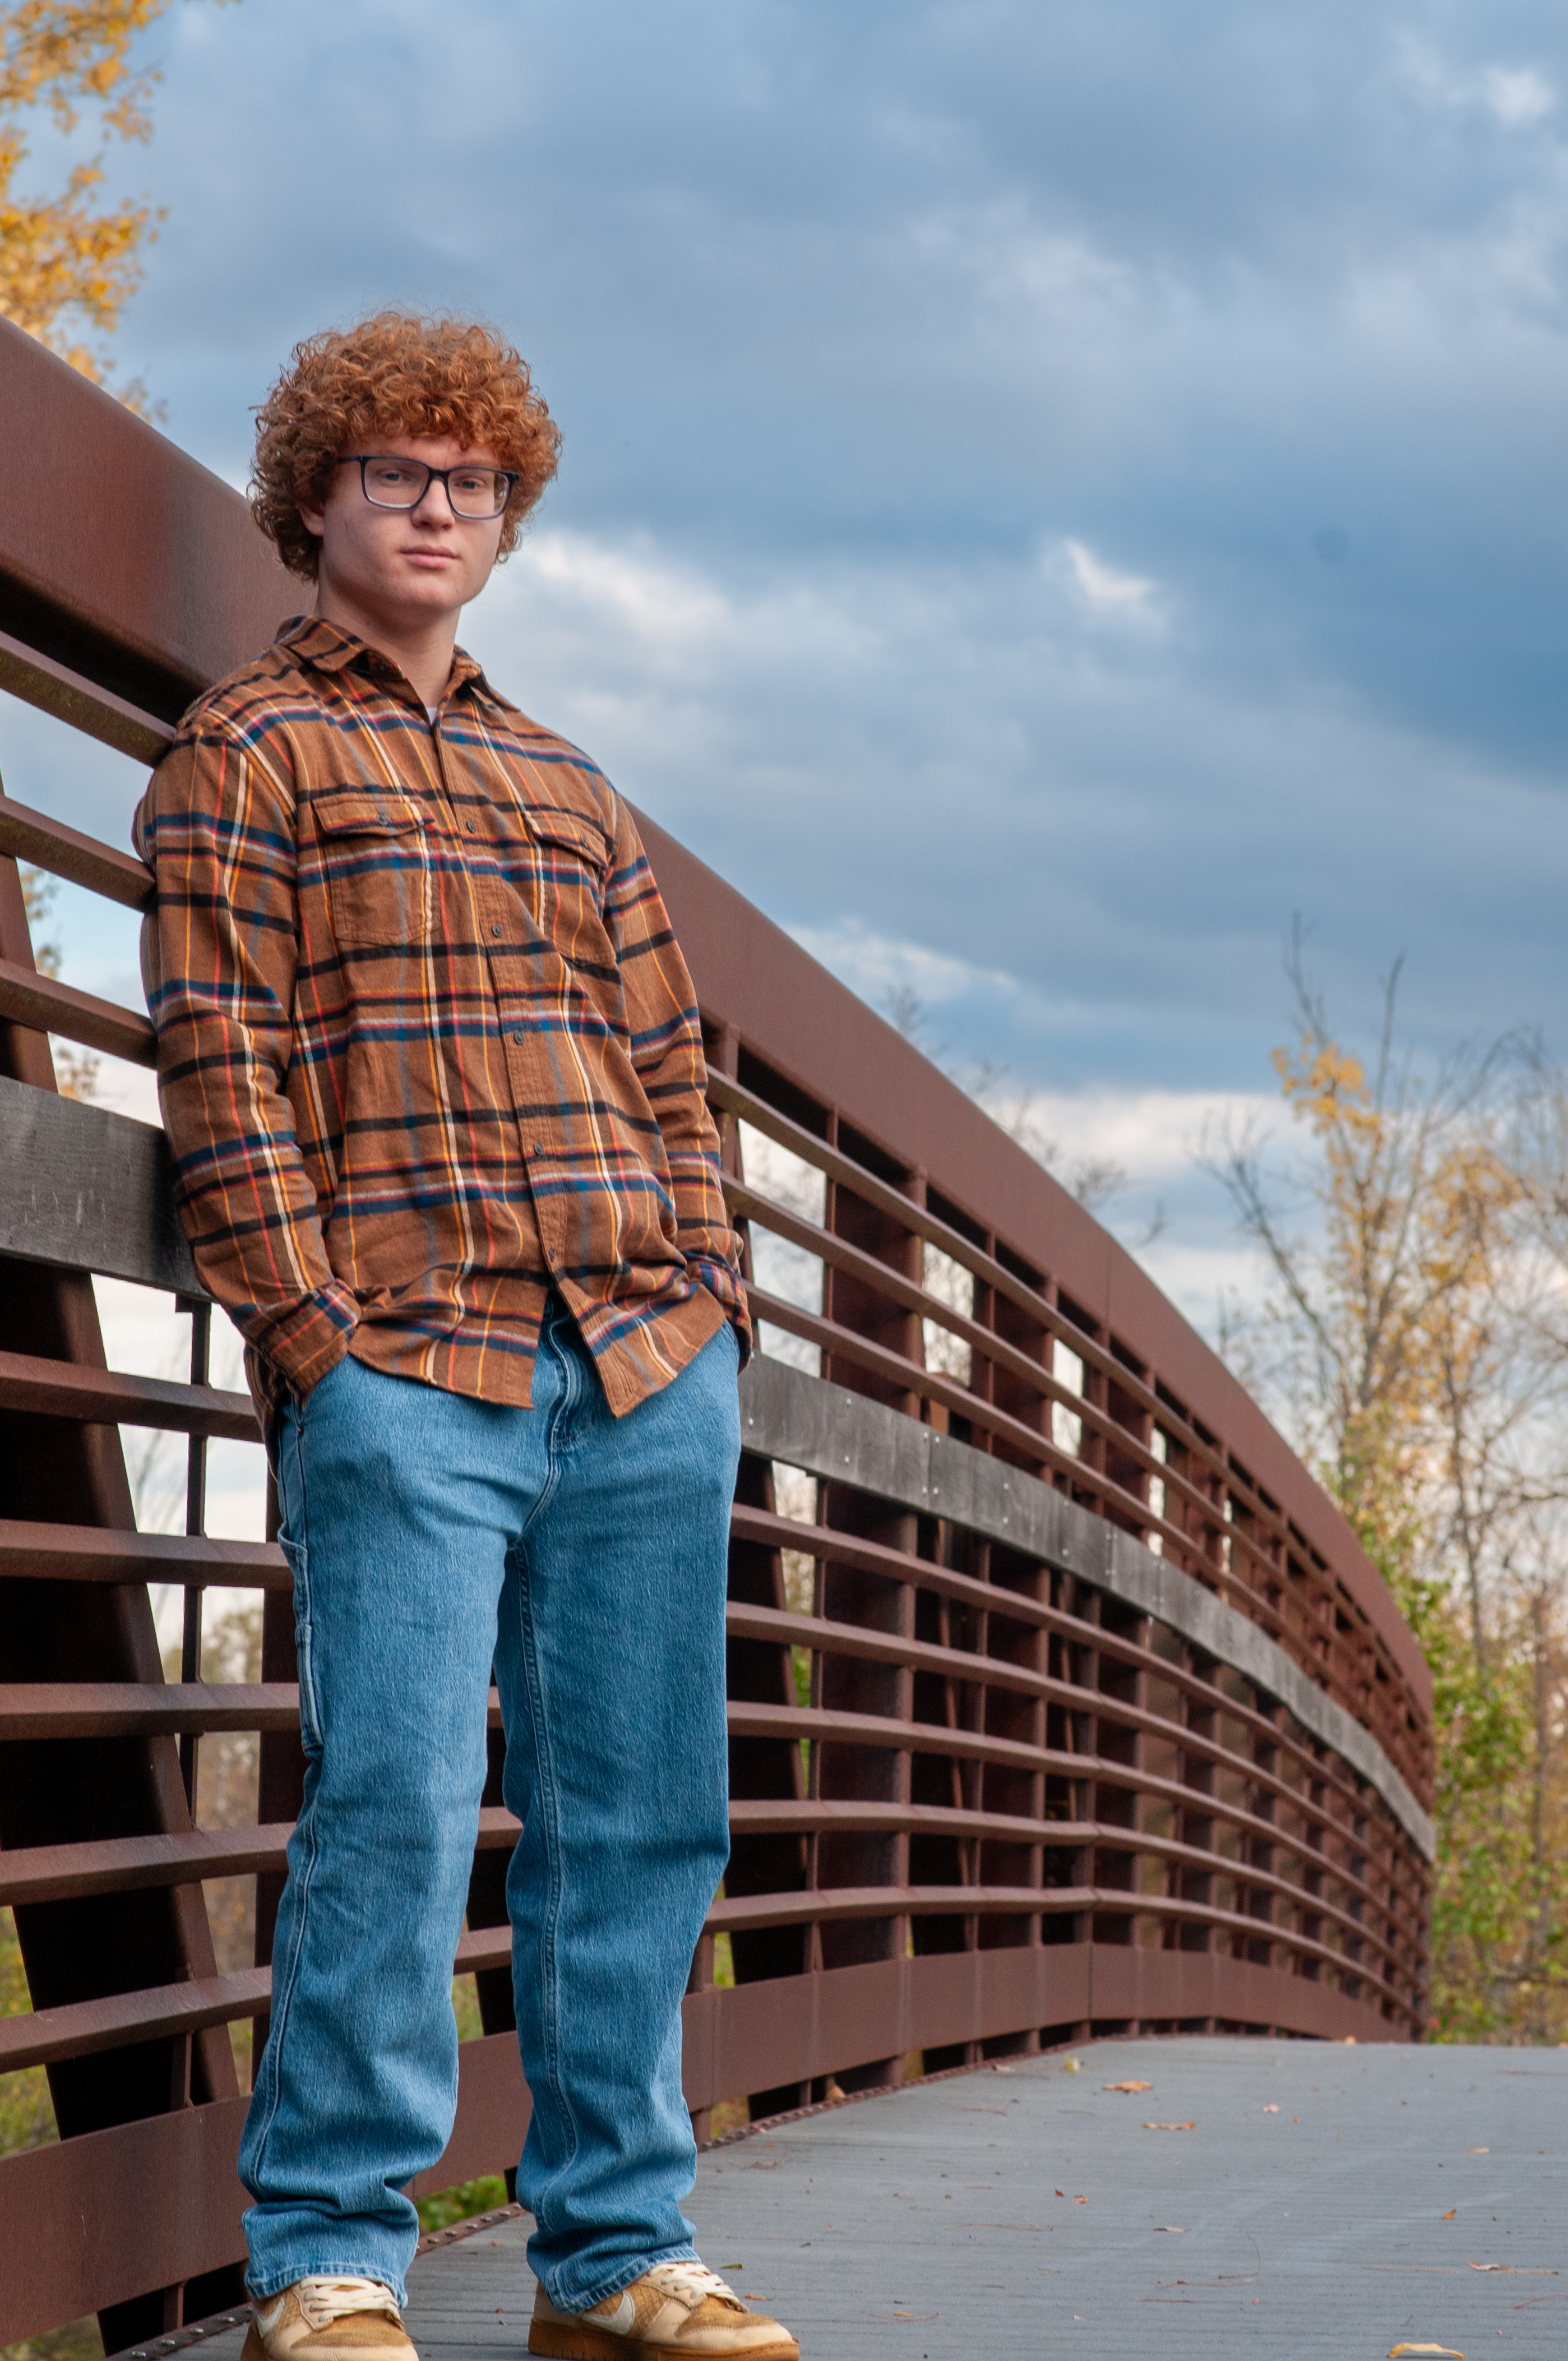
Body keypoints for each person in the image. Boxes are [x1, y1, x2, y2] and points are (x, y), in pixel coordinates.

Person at [136, 313, 797, 2361]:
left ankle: (616, 2253)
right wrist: (315, 1335)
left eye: (473, 483)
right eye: (398, 474)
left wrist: (708, 1304)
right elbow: (220, 1064)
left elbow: (671, 1060)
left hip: (637, 1360)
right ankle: (328, 2252)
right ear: (315, 498)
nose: (438, 506)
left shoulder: (566, 784)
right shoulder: (246, 751)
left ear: (505, 521)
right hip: (407, 1364)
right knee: (398, 1804)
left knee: (644, 1814)